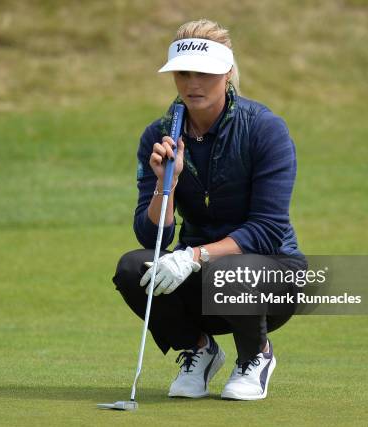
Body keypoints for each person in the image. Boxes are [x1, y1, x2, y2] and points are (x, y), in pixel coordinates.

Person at [112, 19, 306, 401]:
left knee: (227, 270)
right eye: (182, 73)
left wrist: (193, 256)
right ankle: (199, 349)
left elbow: (267, 229)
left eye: (204, 73)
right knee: (133, 268)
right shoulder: (159, 135)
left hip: (268, 277)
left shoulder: (265, 129)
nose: (192, 83)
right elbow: (153, 238)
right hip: (199, 278)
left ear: (228, 72)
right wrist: (164, 186)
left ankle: (256, 356)